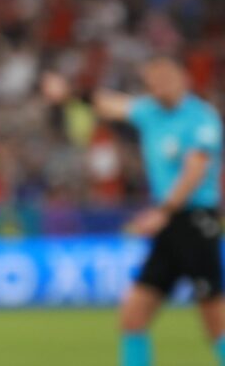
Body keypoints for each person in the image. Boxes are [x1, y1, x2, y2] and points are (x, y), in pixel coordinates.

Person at [42, 57, 224, 366]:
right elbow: (106, 103)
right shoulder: (149, 111)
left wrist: (163, 211)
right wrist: (67, 94)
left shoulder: (201, 117)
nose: (157, 85)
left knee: (215, 322)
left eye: (164, 76)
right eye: (151, 80)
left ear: (183, 77)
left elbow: (195, 171)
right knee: (133, 317)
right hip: (169, 225)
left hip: (195, 221)